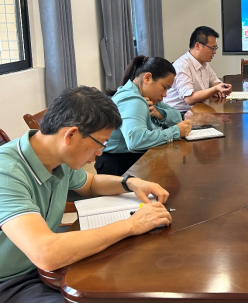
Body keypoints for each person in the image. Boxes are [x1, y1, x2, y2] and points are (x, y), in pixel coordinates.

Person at [0, 87, 172, 303]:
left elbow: (90, 184)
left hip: (45, 268)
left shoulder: (57, 156)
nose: (100, 153)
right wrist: (132, 224)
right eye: (100, 143)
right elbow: (46, 253)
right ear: (71, 135)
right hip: (12, 279)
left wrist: (130, 183)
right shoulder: (6, 172)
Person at [96, 56, 192, 176]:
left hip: (130, 161)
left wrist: (158, 113)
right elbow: (136, 141)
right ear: (147, 78)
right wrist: (175, 132)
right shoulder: (132, 99)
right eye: (164, 87)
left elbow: (177, 117)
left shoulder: (145, 96)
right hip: (120, 166)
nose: (165, 94)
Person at [164, 26, 233, 113]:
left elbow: (214, 82)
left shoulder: (204, 63)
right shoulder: (182, 65)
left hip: (198, 110)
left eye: (215, 48)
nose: (215, 52)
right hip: (180, 114)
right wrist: (216, 89)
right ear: (198, 46)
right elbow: (189, 99)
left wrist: (219, 87)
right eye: (212, 48)